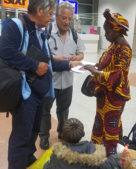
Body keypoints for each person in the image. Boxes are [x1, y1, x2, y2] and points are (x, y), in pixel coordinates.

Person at [0, 0, 80, 168]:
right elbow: (5, 52)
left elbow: (48, 63)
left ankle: (27, 159)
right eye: (50, 14)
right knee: (21, 136)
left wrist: (69, 65)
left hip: (38, 94)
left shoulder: (40, 32)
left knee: (32, 132)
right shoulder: (15, 26)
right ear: (40, 10)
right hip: (25, 94)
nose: (51, 19)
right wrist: (34, 65)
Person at [84, 9, 132, 156]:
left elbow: (118, 74)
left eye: (108, 31)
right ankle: (97, 149)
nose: (105, 35)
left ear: (118, 32)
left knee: (110, 124)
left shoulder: (124, 49)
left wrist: (96, 72)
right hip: (103, 92)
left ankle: (110, 156)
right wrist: (95, 66)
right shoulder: (113, 45)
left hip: (115, 95)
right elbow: (104, 64)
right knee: (100, 120)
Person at [39, 1, 86, 150]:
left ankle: (62, 132)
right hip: (49, 81)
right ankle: (44, 137)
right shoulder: (46, 32)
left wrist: (77, 58)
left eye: (69, 19)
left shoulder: (74, 35)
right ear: (56, 17)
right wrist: (53, 59)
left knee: (63, 110)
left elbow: (81, 53)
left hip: (67, 81)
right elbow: (39, 55)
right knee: (45, 111)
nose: (67, 22)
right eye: (64, 18)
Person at [43, 118, 129, 169]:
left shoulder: (56, 154)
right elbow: (104, 166)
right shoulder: (92, 154)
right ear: (83, 134)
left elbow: (48, 166)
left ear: (62, 135)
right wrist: (116, 157)